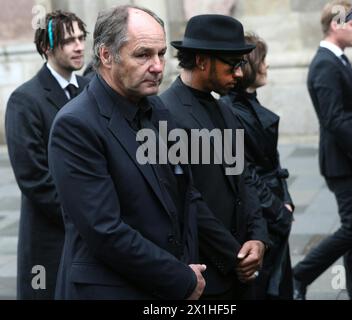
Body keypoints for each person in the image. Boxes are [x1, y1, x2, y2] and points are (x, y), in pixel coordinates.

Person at [48, 5, 207, 300]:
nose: (159, 66)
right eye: (143, 54)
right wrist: (181, 278)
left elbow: (185, 196)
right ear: (107, 56)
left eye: (161, 54)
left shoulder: (158, 110)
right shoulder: (75, 124)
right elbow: (104, 230)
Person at [160, 14, 269, 299]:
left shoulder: (225, 109)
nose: (238, 74)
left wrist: (258, 238)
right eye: (231, 64)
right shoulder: (164, 114)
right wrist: (235, 255)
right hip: (206, 276)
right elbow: (188, 199)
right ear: (201, 61)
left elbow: (245, 178)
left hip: (245, 270)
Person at [293, 0, 352, 300]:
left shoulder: (339, 59)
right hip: (342, 161)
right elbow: (335, 119)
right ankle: (300, 275)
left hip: (349, 159)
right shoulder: (324, 64)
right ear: (335, 25)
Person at [5, 10, 88, 299]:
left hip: (92, 235)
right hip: (50, 236)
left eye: (81, 38)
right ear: (47, 47)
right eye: (68, 41)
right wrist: (85, 213)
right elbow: (33, 178)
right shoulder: (25, 100)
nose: (78, 46)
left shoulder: (88, 90)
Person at [221, 33, 294, 299]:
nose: (267, 66)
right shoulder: (230, 109)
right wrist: (278, 210)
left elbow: (274, 161)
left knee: (281, 280)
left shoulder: (250, 104)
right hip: (259, 211)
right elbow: (246, 172)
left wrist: (285, 199)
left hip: (274, 203)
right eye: (263, 60)